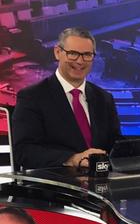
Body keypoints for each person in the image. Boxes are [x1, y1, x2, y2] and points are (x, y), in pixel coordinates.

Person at [12, 27, 122, 170]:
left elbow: (114, 143)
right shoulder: (32, 97)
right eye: (73, 54)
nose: (80, 61)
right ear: (58, 52)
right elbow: (23, 152)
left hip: (100, 184)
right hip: (56, 187)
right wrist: (73, 159)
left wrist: (136, 152)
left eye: (87, 55)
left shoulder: (104, 98)